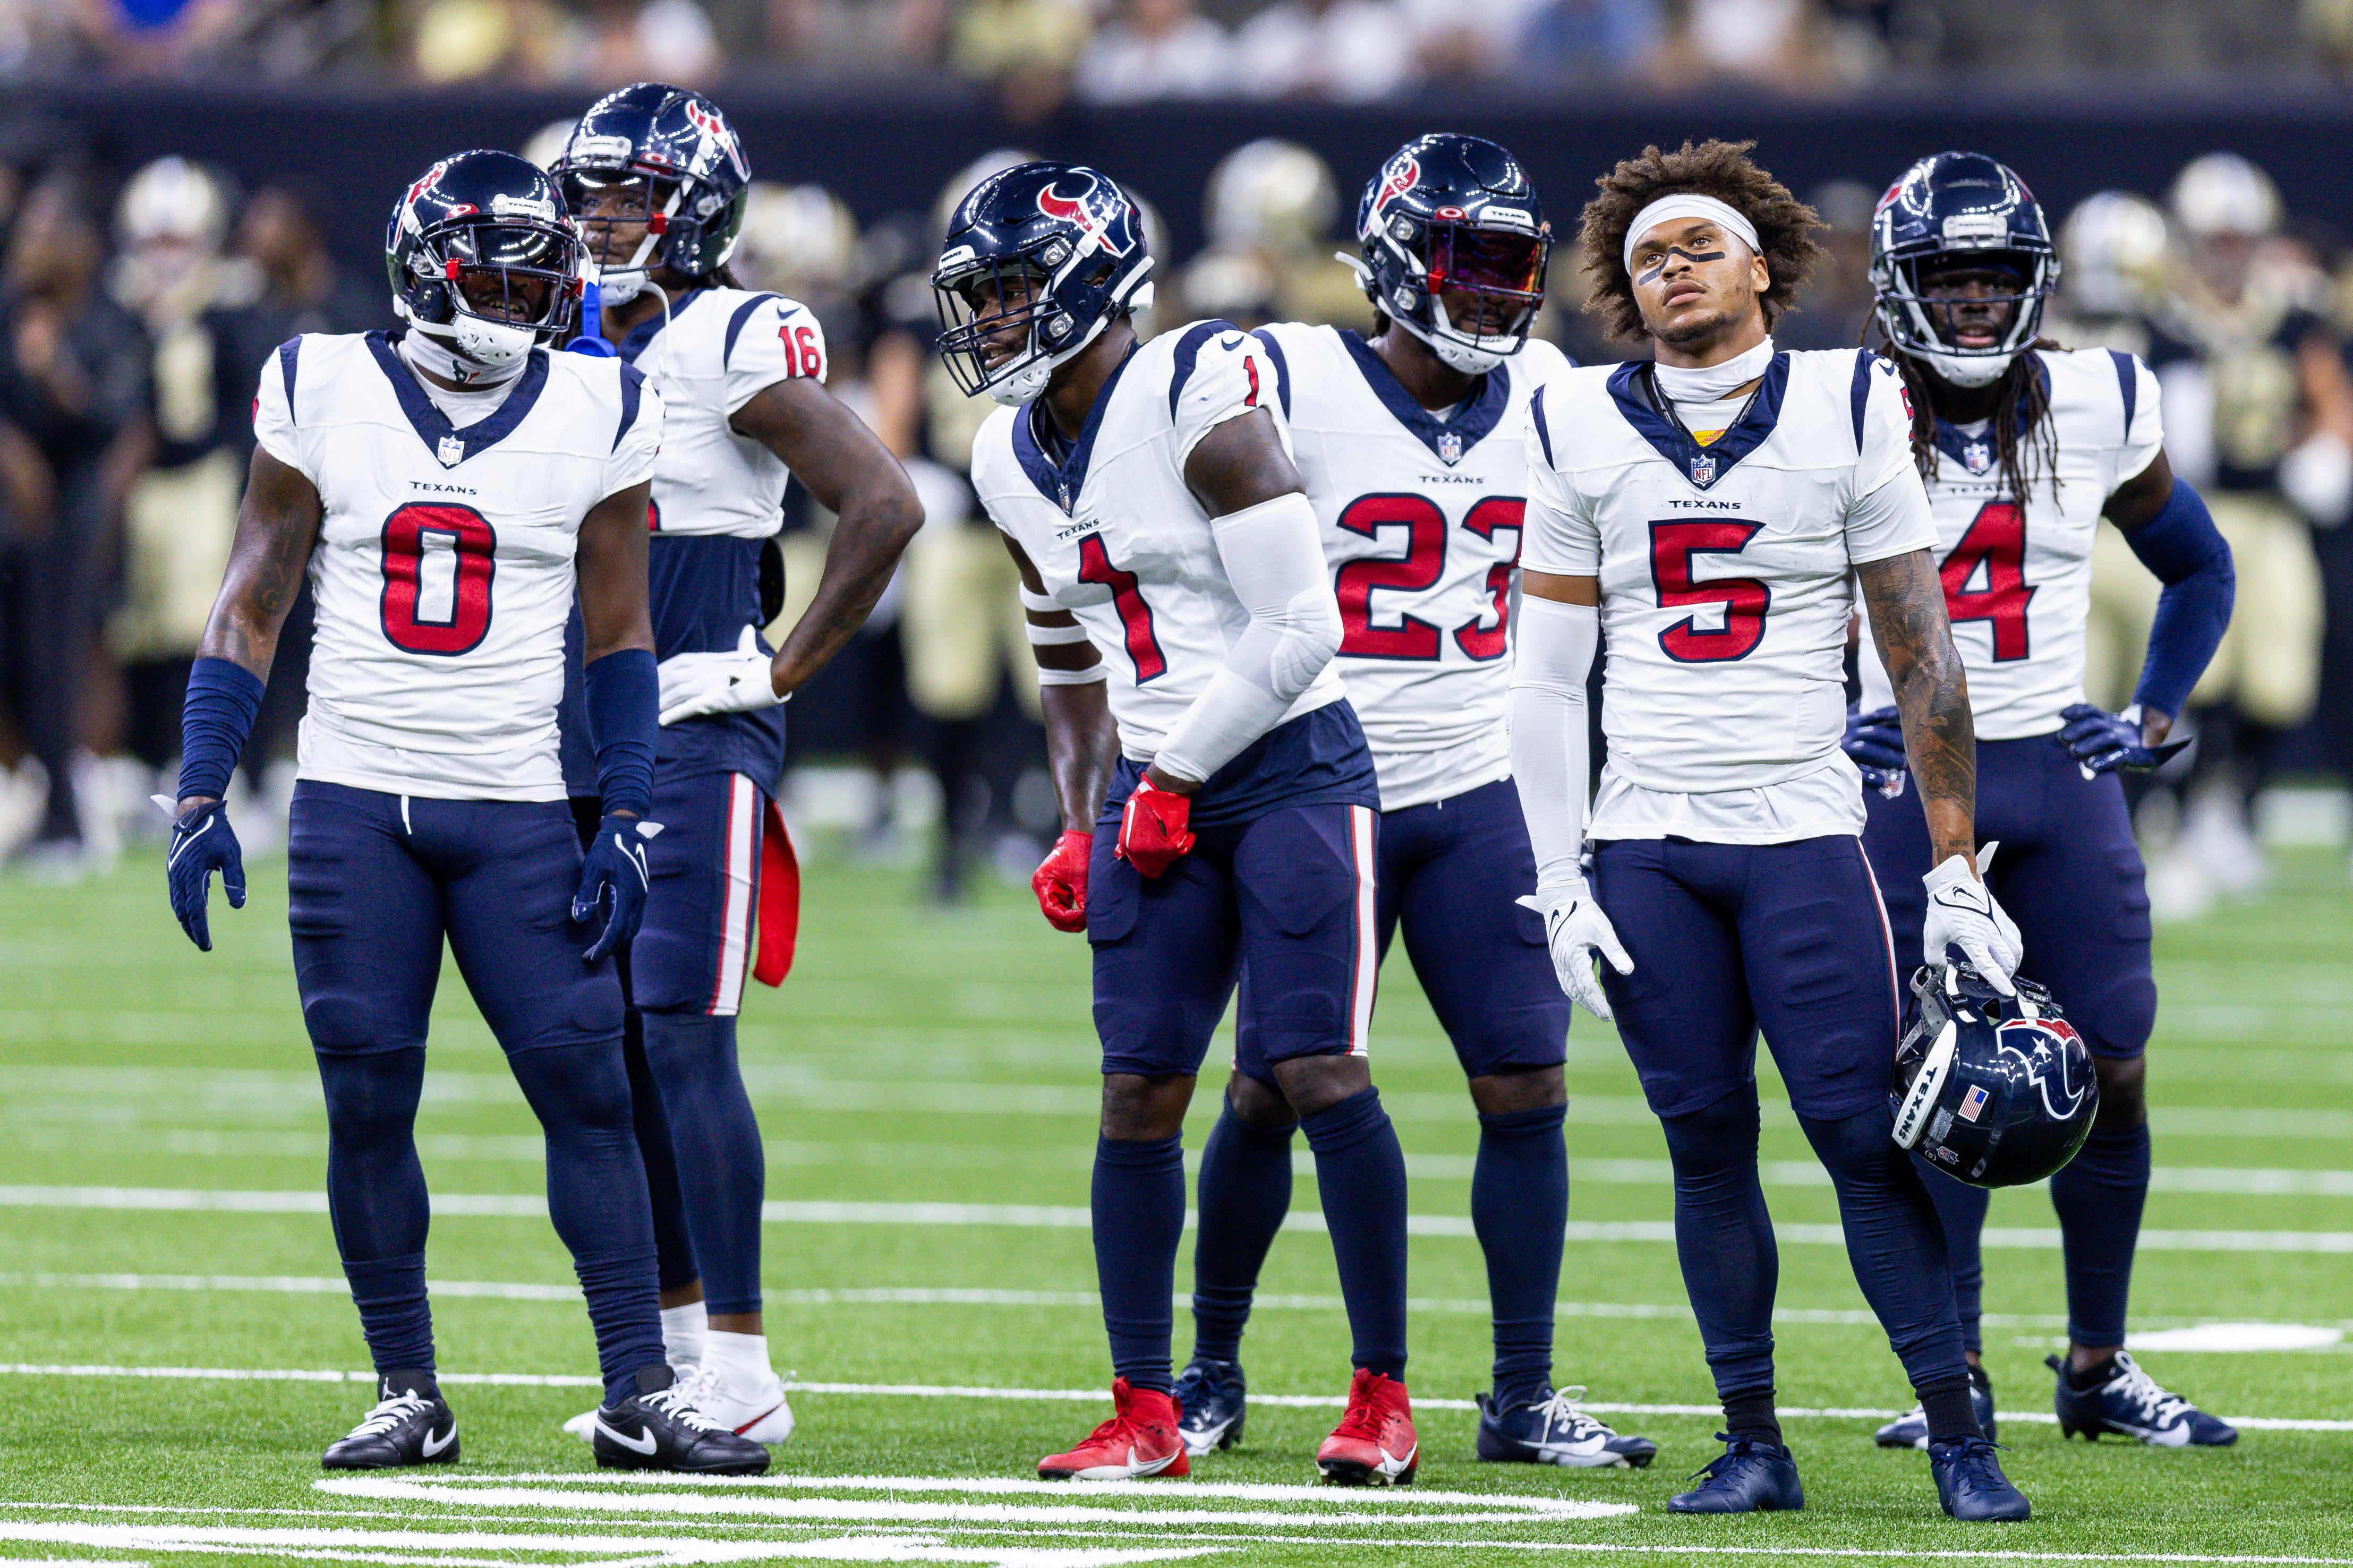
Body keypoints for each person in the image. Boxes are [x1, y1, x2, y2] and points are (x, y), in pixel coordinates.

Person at [160, 149, 767, 1478]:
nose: (527, 295)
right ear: (428, 267)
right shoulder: (320, 382)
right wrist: (203, 784)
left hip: (515, 801)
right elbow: (251, 596)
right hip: (353, 800)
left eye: (542, 273)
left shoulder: (598, 399)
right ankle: (406, 1388)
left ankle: (634, 1390)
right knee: (368, 1101)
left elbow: (620, 635)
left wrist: (629, 815)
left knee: (588, 1091)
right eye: (499, 270)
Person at [1513, 139, 2028, 1521]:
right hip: (1646, 843)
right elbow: (1547, 674)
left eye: (1694, 245)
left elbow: (1919, 650)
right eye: (1642, 257)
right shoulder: (1571, 419)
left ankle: (1953, 1427)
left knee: (1861, 1136)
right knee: (1701, 1145)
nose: (1668, 266)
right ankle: (1750, 1435)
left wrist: (1950, 863)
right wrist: (1555, 872)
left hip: (1801, 828)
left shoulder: (1850, 396)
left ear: (1760, 263)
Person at [1172, 133, 1653, 1471]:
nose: (1502, 292)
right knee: (1270, 1089)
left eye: (1516, 264)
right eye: (1472, 262)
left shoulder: (1553, 391)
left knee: (1526, 1084)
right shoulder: (1282, 373)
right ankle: (1211, 1368)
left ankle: (1522, 1391)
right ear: (1392, 261)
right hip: (1322, 782)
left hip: (1482, 781)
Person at [937, 160, 1417, 1486]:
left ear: (1093, 284)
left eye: (1013, 291)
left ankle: (1381, 1394)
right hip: (1158, 783)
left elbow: (1301, 626)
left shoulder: (1198, 390)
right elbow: (1069, 653)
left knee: (1316, 1071)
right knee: (1137, 1091)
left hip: (1290, 767)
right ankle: (1146, 1407)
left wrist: (1171, 782)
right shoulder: (1001, 450)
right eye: (979, 296)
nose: (989, 320)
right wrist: (1085, 816)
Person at [548, 82, 925, 1447]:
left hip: (696, 720)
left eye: (627, 195)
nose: (598, 220)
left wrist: (772, 669)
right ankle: (670, 1362)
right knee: (611, 1057)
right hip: (573, 727)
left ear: (696, 205)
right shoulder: (550, 326)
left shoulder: (731, 332)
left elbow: (883, 504)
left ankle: (746, 1374)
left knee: (688, 1042)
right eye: (585, 193)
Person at [1847, 151, 2237, 1450]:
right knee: (1931, 1078)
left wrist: (2150, 713)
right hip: (1901, 781)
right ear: (1901, 288)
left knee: (2115, 1066)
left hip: (2053, 774)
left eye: (1993, 280)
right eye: (1947, 280)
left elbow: (2198, 565)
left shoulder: (2098, 398)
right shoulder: (1833, 407)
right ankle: (1949, 1374)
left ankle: (2096, 1362)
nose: (1971, 303)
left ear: (2037, 288)